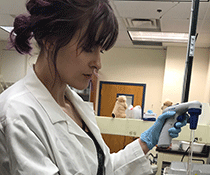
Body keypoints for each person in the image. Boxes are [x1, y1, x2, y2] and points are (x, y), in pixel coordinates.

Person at [0, 0, 187, 174]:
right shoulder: (18, 113)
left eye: (101, 50)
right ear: (51, 41)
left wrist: (147, 141)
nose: (98, 63)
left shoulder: (75, 105)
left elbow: (102, 168)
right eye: (89, 47)